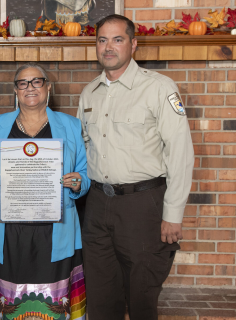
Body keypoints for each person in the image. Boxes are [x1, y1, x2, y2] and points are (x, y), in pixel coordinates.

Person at [77, 15, 194, 320]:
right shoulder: (89, 93)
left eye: (117, 39)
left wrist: (172, 215)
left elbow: (180, 153)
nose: (109, 47)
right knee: (101, 299)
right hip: (98, 205)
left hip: (143, 206)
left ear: (134, 44)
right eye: (102, 40)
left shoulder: (159, 88)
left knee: (142, 298)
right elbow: (85, 146)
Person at [0, 62, 89, 320]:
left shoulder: (70, 126)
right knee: (8, 304)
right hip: (8, 233)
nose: (30, 87)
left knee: (54, 306)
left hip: (55, 232)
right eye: (23, 83)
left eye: (37, 81)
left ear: (48, 87)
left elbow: (84, 171)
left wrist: (78, 182)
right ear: (15, 90)